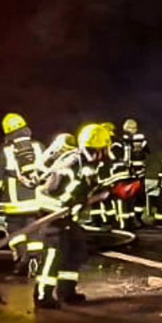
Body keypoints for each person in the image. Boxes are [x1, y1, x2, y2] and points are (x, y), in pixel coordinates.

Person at [33, 123, 110, 309]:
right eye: (103, 149)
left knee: (76, 251)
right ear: (96, 149)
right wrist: (59, 208)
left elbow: (80, 193)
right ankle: (43, 295)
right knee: (54, 254)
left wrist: (98, 195)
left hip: (68, 219)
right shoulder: (69, 165)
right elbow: (44, 194)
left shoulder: (87, 165)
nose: (105, 154)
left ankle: (67, 292)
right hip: (53, 218)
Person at [0, 113, 45, 274]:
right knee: (34, 228)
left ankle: (22, 256)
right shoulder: (39, 146)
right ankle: (35, 257)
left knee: (14, 228)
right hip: (36, 201)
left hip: (14, 202)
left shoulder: (3, 151)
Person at [109, 118, 149, 229]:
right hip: (130, 174)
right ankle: (129, 221)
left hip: (132, 174)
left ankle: (132, 220)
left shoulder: (123, 141)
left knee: (133, 198)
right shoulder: (122, 142)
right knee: (129, 198)